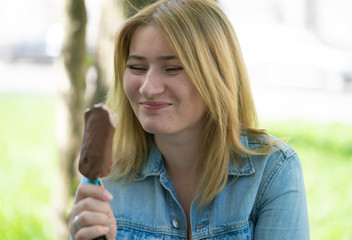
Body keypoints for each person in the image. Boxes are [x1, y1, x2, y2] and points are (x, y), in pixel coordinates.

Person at [68, 0, 310, 239]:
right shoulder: (107, 179)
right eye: (137, 68)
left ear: (217, 75)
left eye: (172, 68)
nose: (148, 88)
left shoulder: (273, 172)